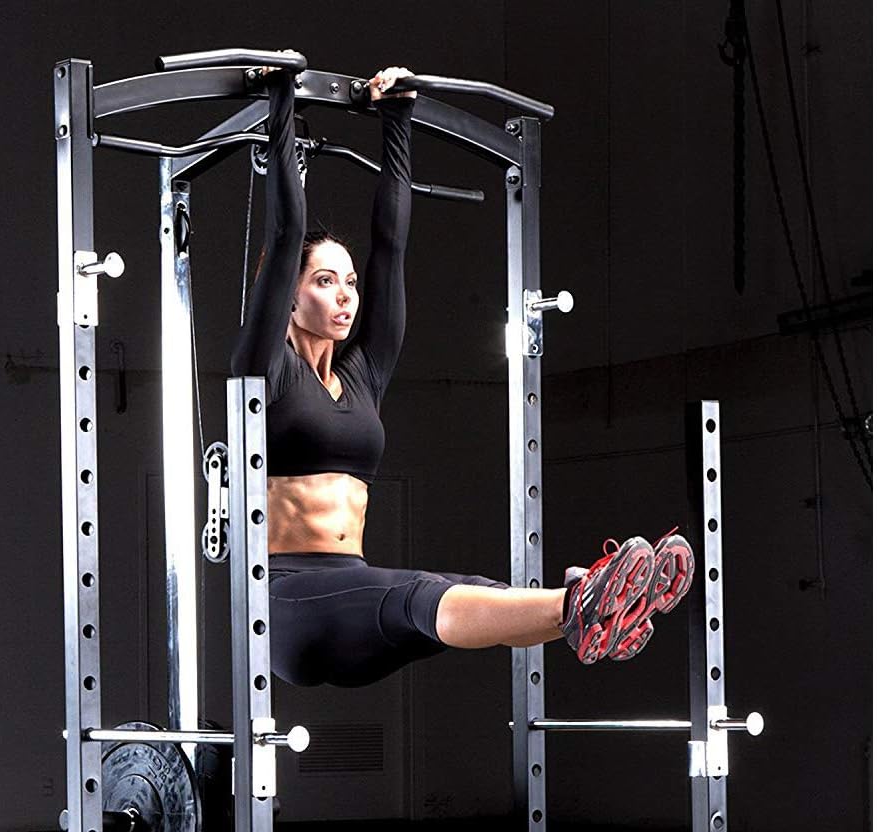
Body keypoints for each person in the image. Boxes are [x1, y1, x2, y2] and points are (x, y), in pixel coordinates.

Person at [232, 61, 694, 689]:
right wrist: (281, 100)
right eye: (323, 281)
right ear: (287, 294)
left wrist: (399, 118)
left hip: (356, 585)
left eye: (348, 282)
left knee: (468, 587)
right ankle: (584, 600)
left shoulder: (363, 375)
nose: (345, 296)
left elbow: (390, 247)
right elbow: (287, 232)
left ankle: (597, 610)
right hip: (287, 606)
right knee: (422, 593)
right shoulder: (266, 371)